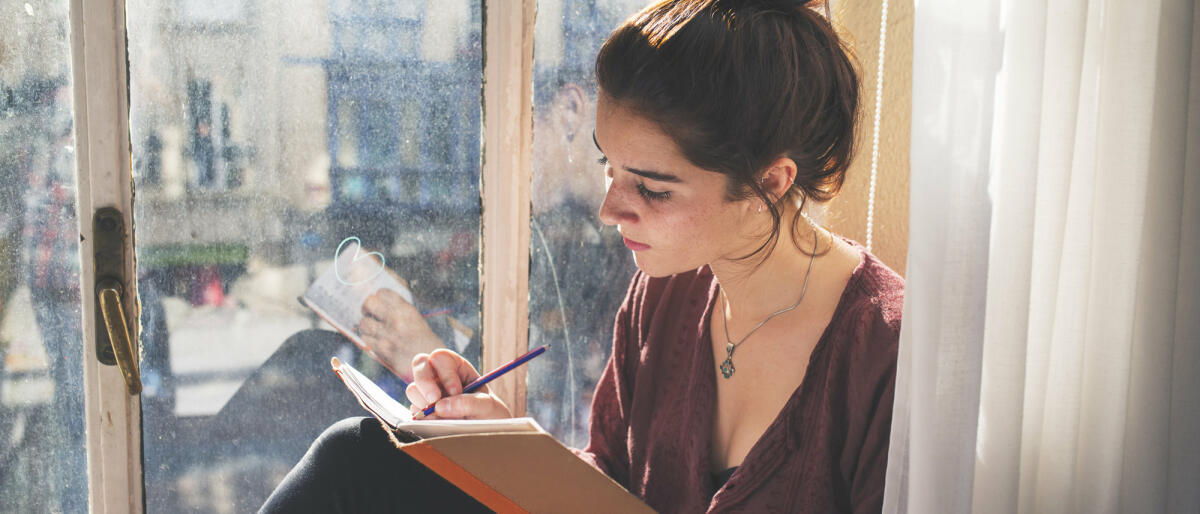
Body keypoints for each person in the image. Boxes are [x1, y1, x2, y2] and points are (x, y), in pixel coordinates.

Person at [261, 0, 903, 512]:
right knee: (357, 453)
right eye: (607, 167)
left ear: (771, 181)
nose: (611, 209)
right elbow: (611, 483)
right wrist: (499, 443)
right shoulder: (665, 296)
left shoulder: (883, 351)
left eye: (651, 187)